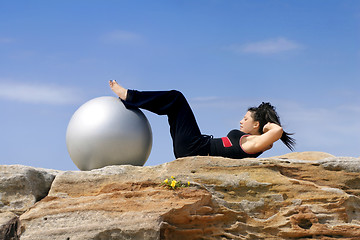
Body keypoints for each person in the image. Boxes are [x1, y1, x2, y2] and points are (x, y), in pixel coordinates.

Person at [109, 80, 295, 159]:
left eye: (245, 119)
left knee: (177, 99)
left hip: (194, 149)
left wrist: (268, 126)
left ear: (256, 124)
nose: (241, 121)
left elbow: (277, 132)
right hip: (193, 147)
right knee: (173, 107)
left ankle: (130, 96)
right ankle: (131, 101)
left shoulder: (255, 143)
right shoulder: (255, 142)